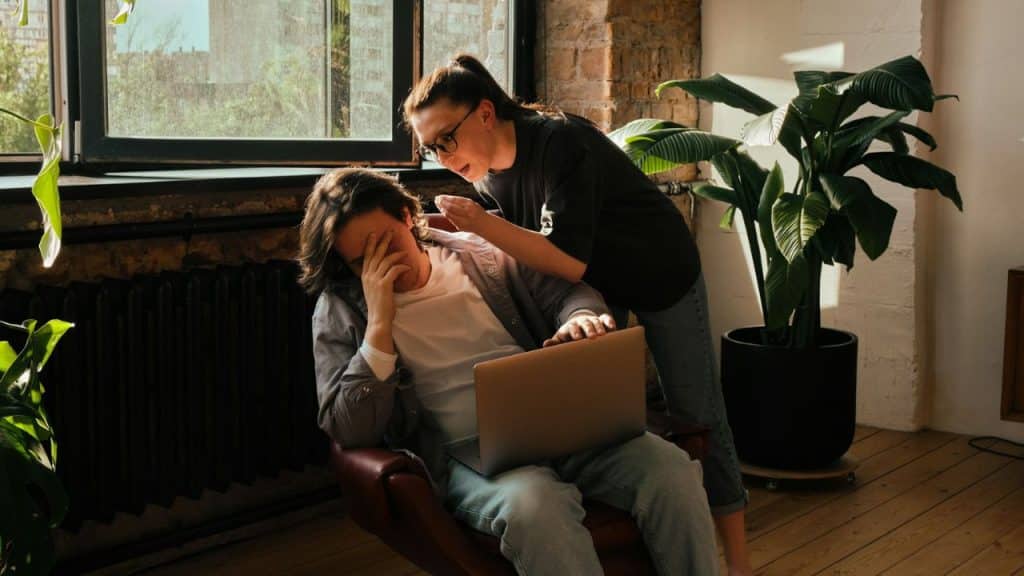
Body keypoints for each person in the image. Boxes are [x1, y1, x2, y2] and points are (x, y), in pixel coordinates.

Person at [403, 53, 753, 575]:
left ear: (482, 113)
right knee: (600, 416)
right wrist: (453, 232)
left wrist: (479, 224)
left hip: (659, 271)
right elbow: (519, 250)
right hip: (590, 287)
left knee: (697, 409)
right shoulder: (484, 174)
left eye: (445, 139)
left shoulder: (559, 142)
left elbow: (565, 257)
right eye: (431, 148)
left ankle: (740, 563)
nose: (442, 156)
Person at [298, 168, 717, 575]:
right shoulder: (341, 310)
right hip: (470, 457)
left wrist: (582, 318)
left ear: (407, 217)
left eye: (386, 242)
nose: (381, 265)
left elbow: (570, 294)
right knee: (536, 509)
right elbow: (347, 427)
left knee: (671, 471)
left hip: (561, 425)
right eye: (361, 261)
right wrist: (380, 326)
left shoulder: (480, 253)